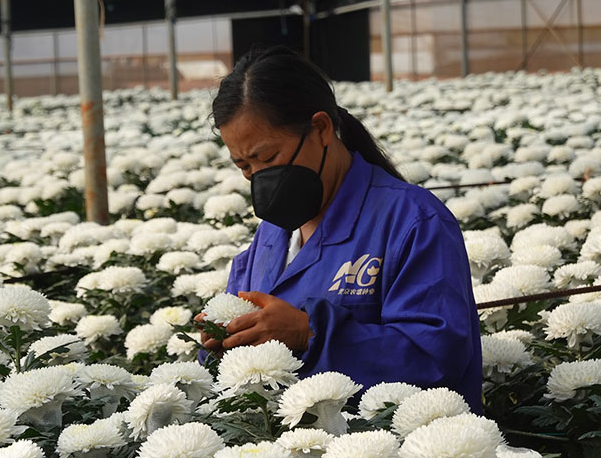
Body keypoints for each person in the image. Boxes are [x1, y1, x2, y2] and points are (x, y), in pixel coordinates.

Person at [195, 46, 482, 413]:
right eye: (244, 166)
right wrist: (222, 341)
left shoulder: (413, 221)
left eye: (267, 158)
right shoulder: (271, 234)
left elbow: (437, 357)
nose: (259, 177)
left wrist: (308, 333)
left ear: (321, 128)